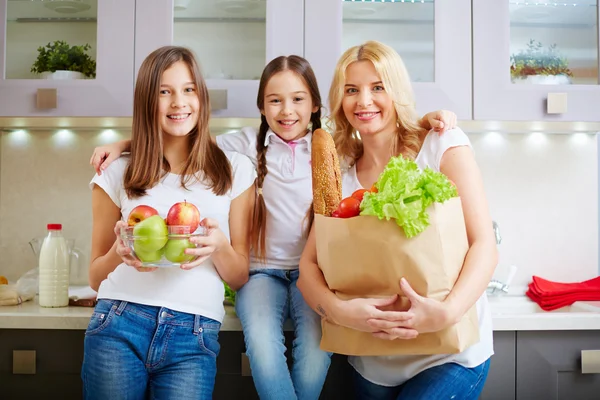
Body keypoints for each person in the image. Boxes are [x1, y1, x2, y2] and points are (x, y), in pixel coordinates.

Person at [89, 54, 457, 400]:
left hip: (316, 275)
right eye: (274, 100)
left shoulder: (337, 147)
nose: (287, 110)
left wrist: (427, 120)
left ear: (315, 104)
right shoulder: (244, 146)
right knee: (264, 352)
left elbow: (385, 132)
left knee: (314, 360)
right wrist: (126, 143)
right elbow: (184, 139)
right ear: (261, 106)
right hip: (260, 274)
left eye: (298, 99)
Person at [298, 40, 498, 400]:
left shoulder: (440, 144)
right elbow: (308, 269)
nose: (364, 101)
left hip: (448, 353)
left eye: (378, 87)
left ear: (397, 91)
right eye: (351, 90)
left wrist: (446, 312)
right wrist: (342, 313)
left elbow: (484, 244)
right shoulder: (339, 172)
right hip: (372, 363)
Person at [82, 46, 256, 400]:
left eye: (188, 89)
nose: (179, 102)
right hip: (118, 324)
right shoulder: (116, 172)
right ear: (148, 100)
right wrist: (120, 251)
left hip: (193, 335)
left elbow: (238, 276)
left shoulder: (235, 170)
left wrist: (219, 247)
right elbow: (96, 276)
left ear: (201, 97)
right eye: (164, 91)